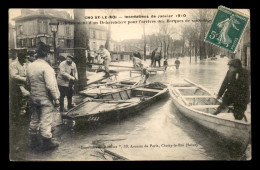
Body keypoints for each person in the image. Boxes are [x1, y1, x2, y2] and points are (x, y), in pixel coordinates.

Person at [26, 43, 60, 150]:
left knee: (34, 119)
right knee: (46, 120)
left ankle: (33, 141)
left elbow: (27, 83)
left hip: (33, 97)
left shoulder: (30, 66)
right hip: (45, 99)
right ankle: (47, 143)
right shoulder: (47, 67)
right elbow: (50, 86)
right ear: (47, 55)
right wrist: (56, 99)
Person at [9, 50, 30, 117]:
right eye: (25, 58)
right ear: (21, 58)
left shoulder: (25, 64)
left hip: (24, 83)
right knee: (18, 98)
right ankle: (16, 113)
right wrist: (24, 79)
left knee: (26, 96)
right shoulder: (13, 64)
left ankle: (23, 110)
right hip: (16, 84)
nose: (26, 59)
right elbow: (13, 75)